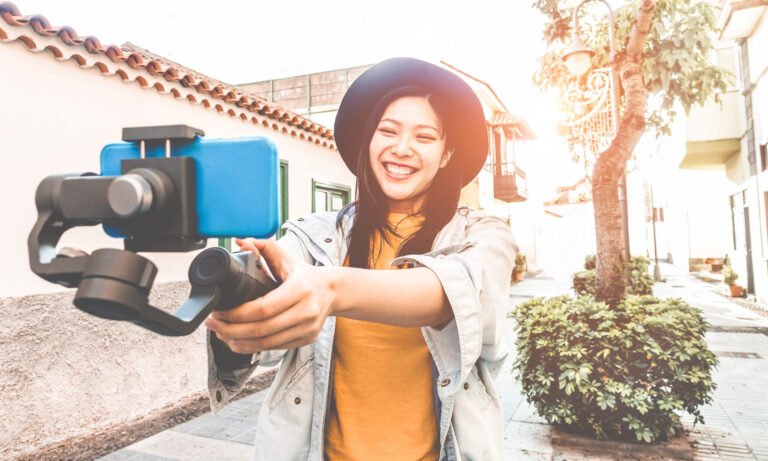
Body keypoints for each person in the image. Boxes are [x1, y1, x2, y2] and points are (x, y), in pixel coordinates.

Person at [203, 57, 517, 460]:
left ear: (445, 154)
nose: (401, 148)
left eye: (424, 137)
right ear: (369, 141)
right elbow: (271, 327)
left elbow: (455, 294)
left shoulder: (483, 235)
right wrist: (240, 303)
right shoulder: (313, 236)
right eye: (387, 130)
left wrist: (331, 291)